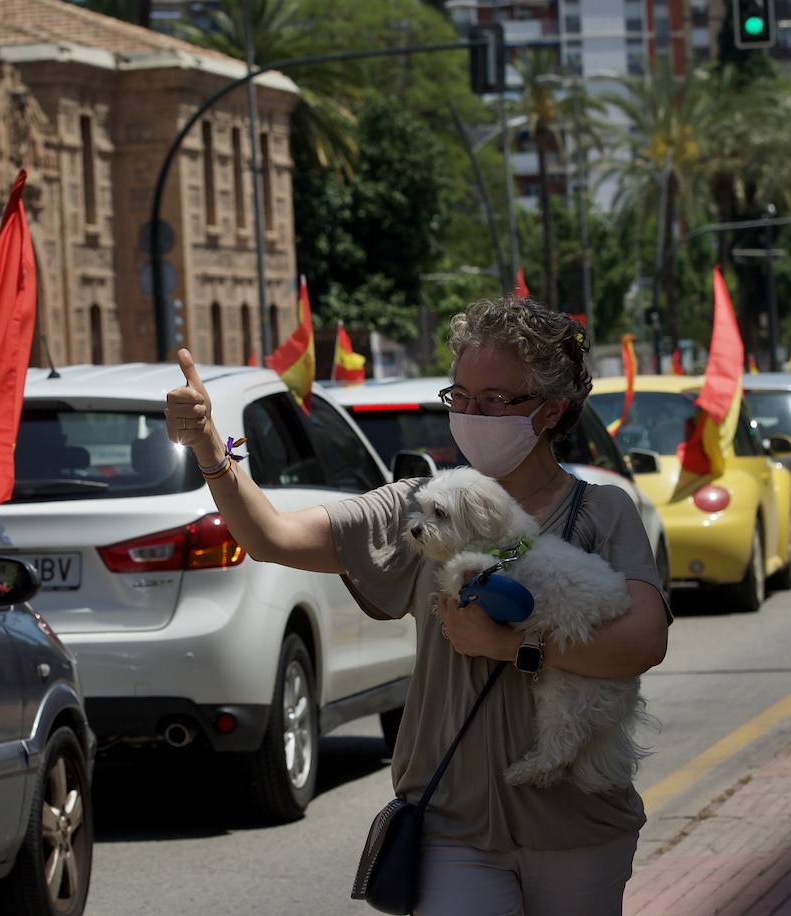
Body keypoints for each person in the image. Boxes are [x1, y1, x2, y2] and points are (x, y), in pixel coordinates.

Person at [165, 298, 670, 915]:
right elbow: (273, 536)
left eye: (494, 401)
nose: (471, 414)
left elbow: (644, 643)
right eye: (460, 396)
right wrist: (211, 448)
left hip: (579, 829)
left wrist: (512, 647)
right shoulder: (419, 509)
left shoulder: (602, 512)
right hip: (453, 828)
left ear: (551, 410)